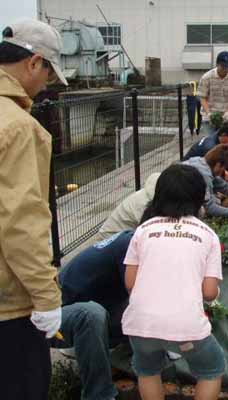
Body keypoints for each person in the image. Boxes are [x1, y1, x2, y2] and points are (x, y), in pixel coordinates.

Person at [0, 20, 68, 400]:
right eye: (48, 73)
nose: (47, 84)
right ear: (34, 62)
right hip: (8, 309)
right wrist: (45, 297)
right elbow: (20, 222)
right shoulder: (19, 127)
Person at [122, 164, 225, 400]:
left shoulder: (143, 229)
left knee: (147, 371)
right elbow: (209, 292)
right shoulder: (207, 234)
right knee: (212, 368)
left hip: (140, 324)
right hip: (186, 327)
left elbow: (130, 283)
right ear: (199, 196)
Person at [51, 230, 135, 400]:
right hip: (53, 314)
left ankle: (111, 355)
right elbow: (140, 299)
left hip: (79, 301)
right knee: (90, 316)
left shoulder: (132, 239)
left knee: (130, 312)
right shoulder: (130, 247)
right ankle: (99, 395)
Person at [95, 172, 160, 241]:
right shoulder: (144, 204)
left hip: (123, 235)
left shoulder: (150, 194)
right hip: (110, 239)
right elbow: (150, 234)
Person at [198, 51, 228, 136]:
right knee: (210, 144)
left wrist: (227, 112)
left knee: (227, 145)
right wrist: (209, 113)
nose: (226, 69)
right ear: (217, 64)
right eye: (223, 66)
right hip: (209, 117)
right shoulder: (207, 77)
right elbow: (202, 97)